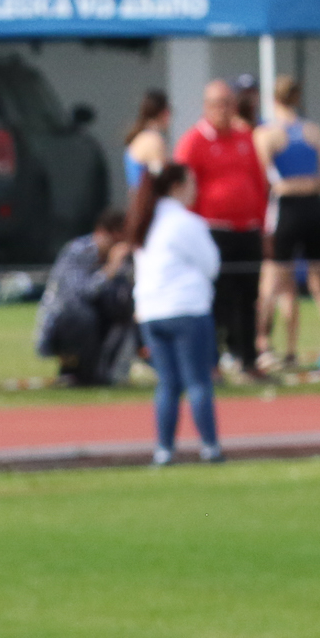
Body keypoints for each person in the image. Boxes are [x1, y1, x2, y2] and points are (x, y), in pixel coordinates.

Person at [130, 163, 223, 465]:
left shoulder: (144, 222)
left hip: (151, 312)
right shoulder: (185, 222)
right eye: (192, 183)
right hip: (187, 309)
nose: (196, 190)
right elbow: (211, 265)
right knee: (197, 381)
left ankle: (164, 449)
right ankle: (210, 446)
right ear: (177, 186)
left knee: (167, 384)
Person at [175, 77, 268, 373]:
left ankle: (247, 359)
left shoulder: (245, 137)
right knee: (216, 298)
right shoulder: (194, 141)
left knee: (248, 297)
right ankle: (211, 361)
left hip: (247, 230)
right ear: (207, 106)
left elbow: (258, 182)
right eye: (217, 104)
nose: (223, 110)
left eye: (228, 103)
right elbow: (183, 189)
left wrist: (263, 225)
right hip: (213, 231)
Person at [259, 77, 320, 371]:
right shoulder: (313, 131)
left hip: (286, 209)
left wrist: (287, 185)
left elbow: (263, 176)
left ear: (273, 99)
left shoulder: (267, 133)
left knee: (273, 282)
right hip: (315, 207)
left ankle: (262, 346)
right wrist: (309, 183)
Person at [35, 210, 137, 388]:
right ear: (101, 233)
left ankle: (109, 372)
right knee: (82, 315)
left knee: (124, 310)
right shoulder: (77, 251)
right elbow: (81, 293)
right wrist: (110, 269)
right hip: (63, 321)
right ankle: (75, 372)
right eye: (114, 241)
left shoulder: (126, 258)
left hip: (98, 318)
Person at [121, 90, 172, 196]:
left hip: (137, 199)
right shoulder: (153, 140)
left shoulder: (139, 137)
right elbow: (159, 178)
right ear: (164, 112)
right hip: (147, 200)